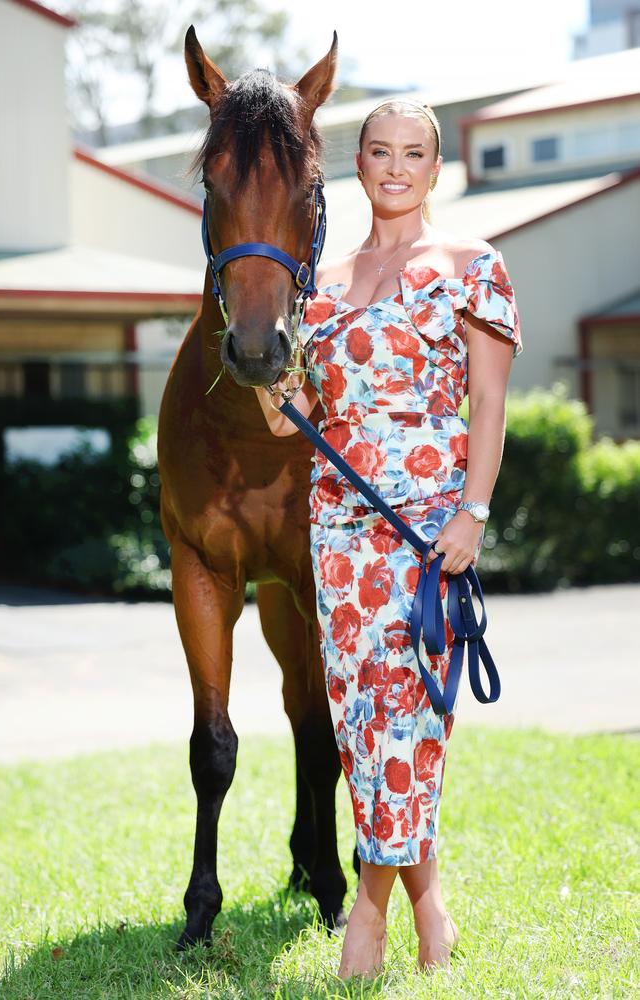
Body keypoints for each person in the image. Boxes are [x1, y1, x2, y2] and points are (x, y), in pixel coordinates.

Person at [255, 98, 523, 980]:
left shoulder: (473, 267)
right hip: (340, 529)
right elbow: (294, 421)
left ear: (435, 169)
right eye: (380, 151)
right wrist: (264, 378)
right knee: (364, 719)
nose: (396, 166)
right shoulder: (320, 282)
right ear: (358, 165)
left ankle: (368, 909)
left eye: (414, 153)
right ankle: (429, 902)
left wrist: (473, 514)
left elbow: (488, 403)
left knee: (409, 715)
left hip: (427, 524)